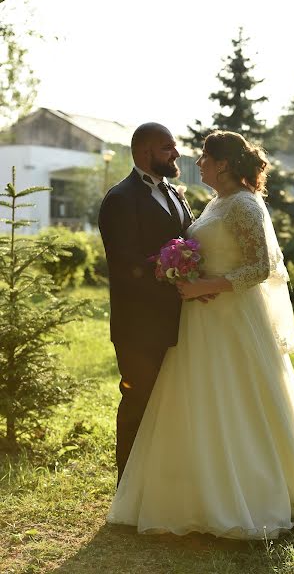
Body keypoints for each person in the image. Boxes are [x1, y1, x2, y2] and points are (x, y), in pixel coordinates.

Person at [106, 130, 294, 539]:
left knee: (236, 400)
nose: (195, 161)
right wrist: (186, 276)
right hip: (194, 319)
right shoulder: (214, 202)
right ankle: (192, 487)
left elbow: (261, 267)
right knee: (197, 402)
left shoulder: (245, 205)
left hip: (229, 319)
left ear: (224, 164)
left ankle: (246, 490)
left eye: (205, 157)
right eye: (169, 148)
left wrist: (205, 286)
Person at [98, 122, 194, 484]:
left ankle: (161, 485)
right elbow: (125, 266)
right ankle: (128, 488)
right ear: (144, 152)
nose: (176, 153)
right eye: (167, 148)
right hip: (139, 326)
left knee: (171, 404)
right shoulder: (120, 199)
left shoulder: (174, 192)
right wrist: (172, 281)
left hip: (180, 318)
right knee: (138, 403)